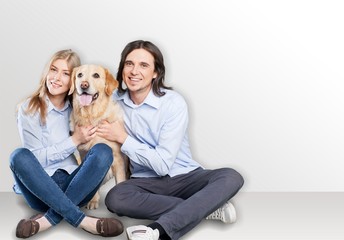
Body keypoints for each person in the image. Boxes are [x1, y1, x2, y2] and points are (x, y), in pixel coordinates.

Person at [99, 40, 244, 240]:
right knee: (116, 198)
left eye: (143, 65)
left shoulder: (173, 103)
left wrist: (123, 138)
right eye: (129, 64)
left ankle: (157, 230)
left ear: (156, 73)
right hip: (144, 181)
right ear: (122, 68)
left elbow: (163, 165)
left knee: (231, 176)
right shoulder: (111, 101)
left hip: (185, 176)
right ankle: (206, 208)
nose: (134, 71)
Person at [9, 49, 123, 238]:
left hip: (78, 184)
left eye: (65, 73)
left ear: (73, 81)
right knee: (18, 156)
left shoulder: (80, 106)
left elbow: (107, 96)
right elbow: (34, 160)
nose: (56, 78)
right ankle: (85, 221)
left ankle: (47, 220)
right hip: (41, 188)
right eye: (53, 70)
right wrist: (74, 140)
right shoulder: (29, 108)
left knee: (103, 151)